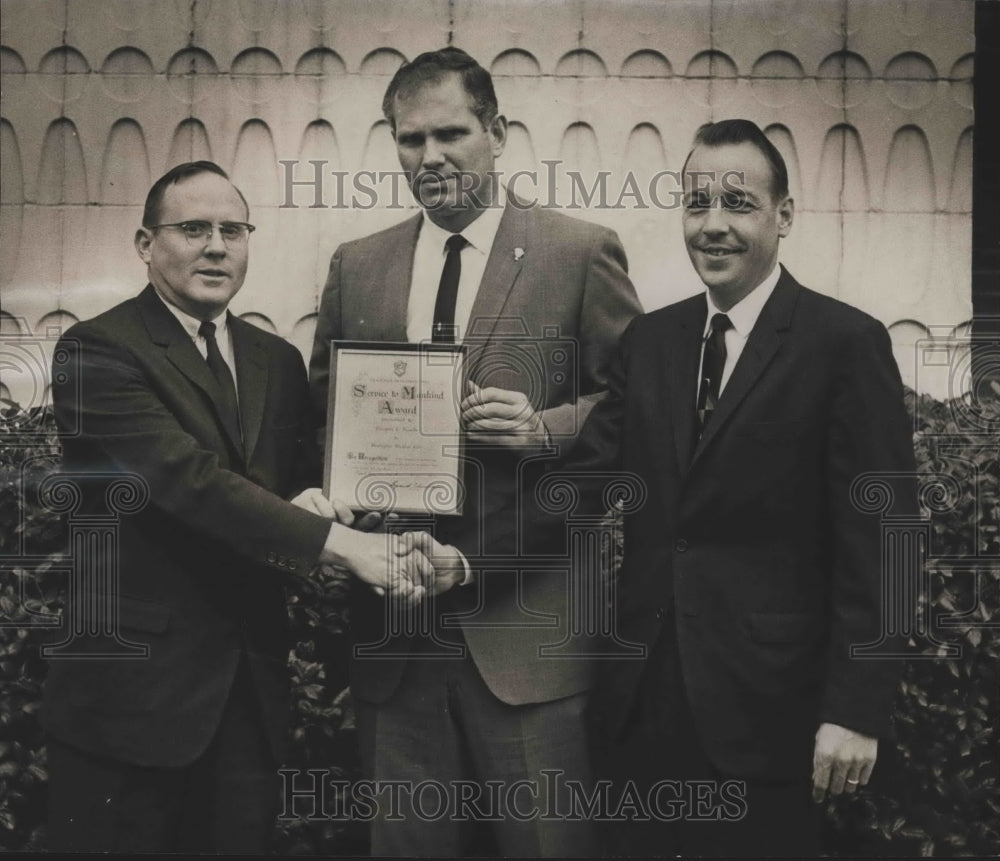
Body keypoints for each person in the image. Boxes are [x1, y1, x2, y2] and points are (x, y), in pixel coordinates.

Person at [43, 161, 432, 853]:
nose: (216, 245)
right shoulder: (95, 351)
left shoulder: (275, 361)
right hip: (131, 702)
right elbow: (186, 480)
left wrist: (358, 503)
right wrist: (338, 545)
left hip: (250, 700)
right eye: (192, 228)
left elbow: (290, 489)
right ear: (144, 243)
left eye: (232, 229)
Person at [309, 47, 641, 857]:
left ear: (497, 132)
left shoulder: (579, 248)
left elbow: (640, 412)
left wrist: (545, 426)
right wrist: (330, 496)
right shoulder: (359, 265)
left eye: (451, 134)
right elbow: (323, 419)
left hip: (528, 636)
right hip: (398, 630)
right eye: (409, 139)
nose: (431, 157)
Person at [574, 120, 917, 856]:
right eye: (698, 204)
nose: (714, 224)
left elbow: (886, 544)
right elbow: (585, 481)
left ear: (784, 216)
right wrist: (464, 539)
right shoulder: (651, 341)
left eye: (738, 203)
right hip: (642, 707)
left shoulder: (845, 344)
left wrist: (856, 710)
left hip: (773, 719)